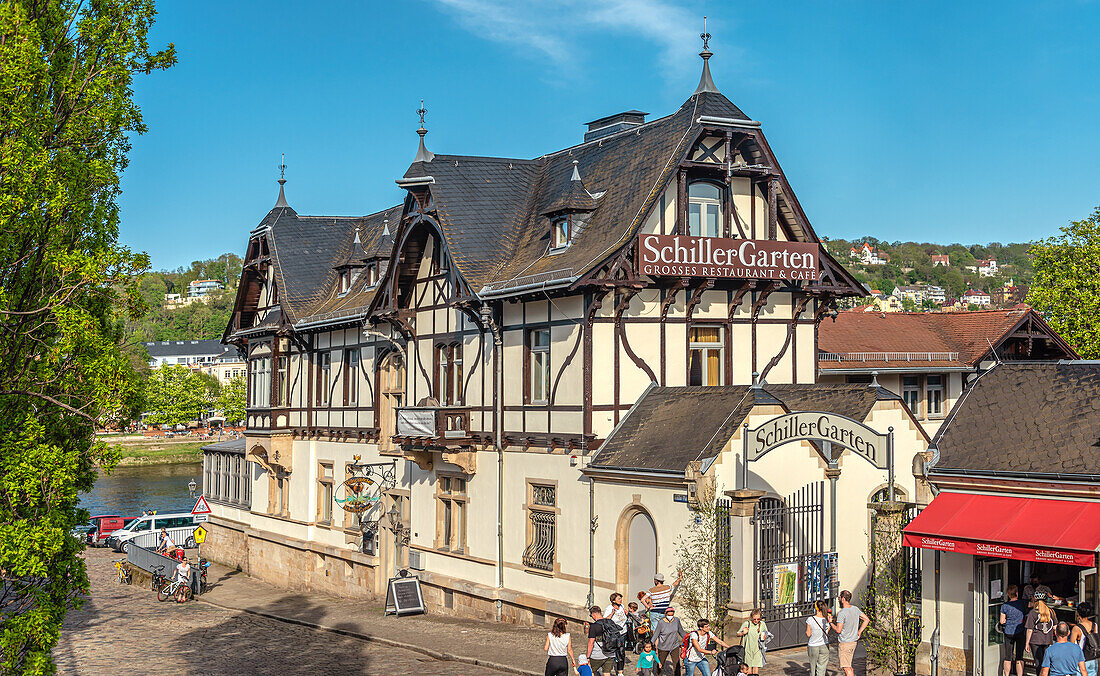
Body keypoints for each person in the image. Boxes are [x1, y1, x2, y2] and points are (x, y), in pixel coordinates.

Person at [830, 590, 870, 676]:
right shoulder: (855, 609)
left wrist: (830, 623)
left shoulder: (842, 613)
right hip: (853, 642)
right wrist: (859, 632)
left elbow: (838, 630)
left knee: (846, 668)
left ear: (843, 599)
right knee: (849, 666)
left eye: (839, 598)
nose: (838, 600)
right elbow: (866, 619)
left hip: (845, 643)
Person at [1001, 584, 1030, 676]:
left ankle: (1006, 674)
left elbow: (1002, 621)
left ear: (1008, 595)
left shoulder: (1005, 606)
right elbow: (1032, 605)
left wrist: (1007, 620)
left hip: (1008, 632)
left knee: (1008, 657)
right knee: (1019, 657)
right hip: (1020, 632)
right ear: (1017, 593)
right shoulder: (1022, 603)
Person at [652, 606, 686, 676]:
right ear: (665, 614)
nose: (670, 616)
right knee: (661, 664)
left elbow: (681, 631)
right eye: (669, 615)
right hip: (663, 646)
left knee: (676, 664)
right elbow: (656, 634)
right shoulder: (661, 622)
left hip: (674, 645)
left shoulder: (676, 620)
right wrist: (650, 644)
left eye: (672, 615)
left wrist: (688, 638)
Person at [1028, 594, 1057, 675]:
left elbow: (1029, 630)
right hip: (1047, 640)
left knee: (1038, 663)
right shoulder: (1051, 612)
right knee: (1047, 662)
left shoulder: (1033, 613)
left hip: (1035, 640)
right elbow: (1055, 627)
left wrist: (1027, 643)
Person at [586, 606, 618, 675]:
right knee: (607, 673)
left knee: (590, 672)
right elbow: (607, 619)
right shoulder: (610, 622)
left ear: (593, 614)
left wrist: (588, 657)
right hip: (610, 653)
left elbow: (591, 643)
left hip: (597, 655)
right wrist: (612, 613)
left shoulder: (594, 626)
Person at [1069, 603, 1099, 676]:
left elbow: (1071, 645)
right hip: (1093, 659)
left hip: (1081, 660)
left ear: (1078, 614)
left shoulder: (1076, 628)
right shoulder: (1095, 625)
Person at [736, 609, 768, 674]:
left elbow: (766, 633)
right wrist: (743, 633)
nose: (756, 621)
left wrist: (765, 637)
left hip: (758, 649)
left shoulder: (762, 624)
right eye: (754, 619)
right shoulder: (747, 623)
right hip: (748, 649)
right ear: (751, 618)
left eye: (758, 619)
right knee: (748, 668)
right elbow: (738, 634)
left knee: (756, 668)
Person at [603, 593, 629, 675]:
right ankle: (606, 668)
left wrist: (626, 613)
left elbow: (625, 617)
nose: (621, 600)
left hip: (623, 632)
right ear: (613, 600)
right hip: (613, 634)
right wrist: (612, 614)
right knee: (612, 652)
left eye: (621, 599)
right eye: (619, 599)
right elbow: (605, 620)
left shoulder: (622, 606)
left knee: (621, 652)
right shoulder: (609, 608)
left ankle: (620, 671)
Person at [805, 600, 832, 676]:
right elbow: (826, 632)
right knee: (822, 668)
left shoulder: (810, 619)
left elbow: (808, 634)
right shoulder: (826, 619)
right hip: (824, 645)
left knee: (812, 667)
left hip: (813, 645)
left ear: (816, 608)